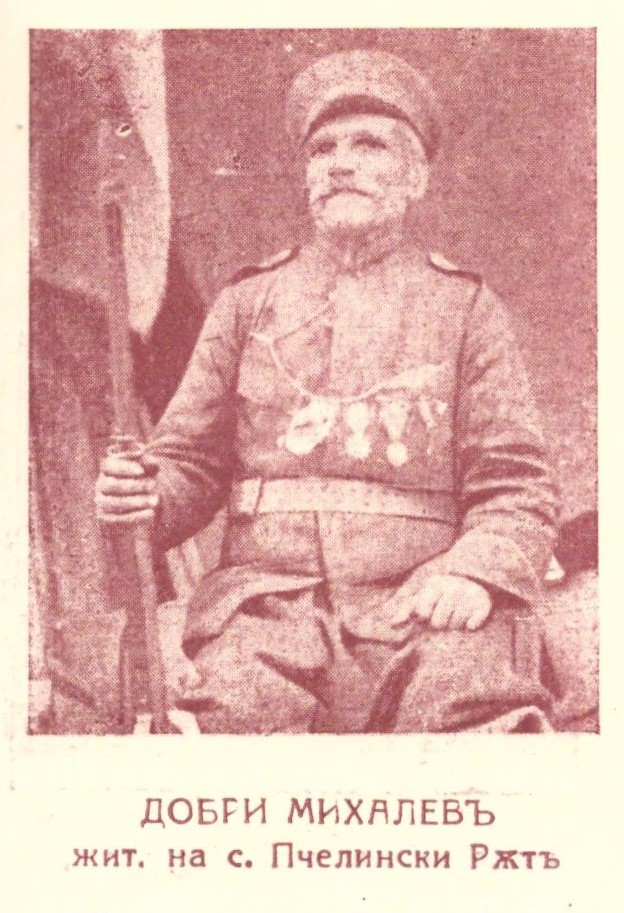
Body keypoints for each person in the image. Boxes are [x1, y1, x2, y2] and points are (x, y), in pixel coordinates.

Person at [96, 49, 560, 733]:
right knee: (231, 718)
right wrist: (143, 495)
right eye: (323, 150)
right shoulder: (247, 301)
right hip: (265, 610)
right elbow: (187, 461)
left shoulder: (466, 308)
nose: (340, 164)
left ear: (415, 178)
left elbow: (517, 486)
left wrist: (473, 573)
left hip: (424, 602)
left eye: (368, 145)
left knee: (470, 714)